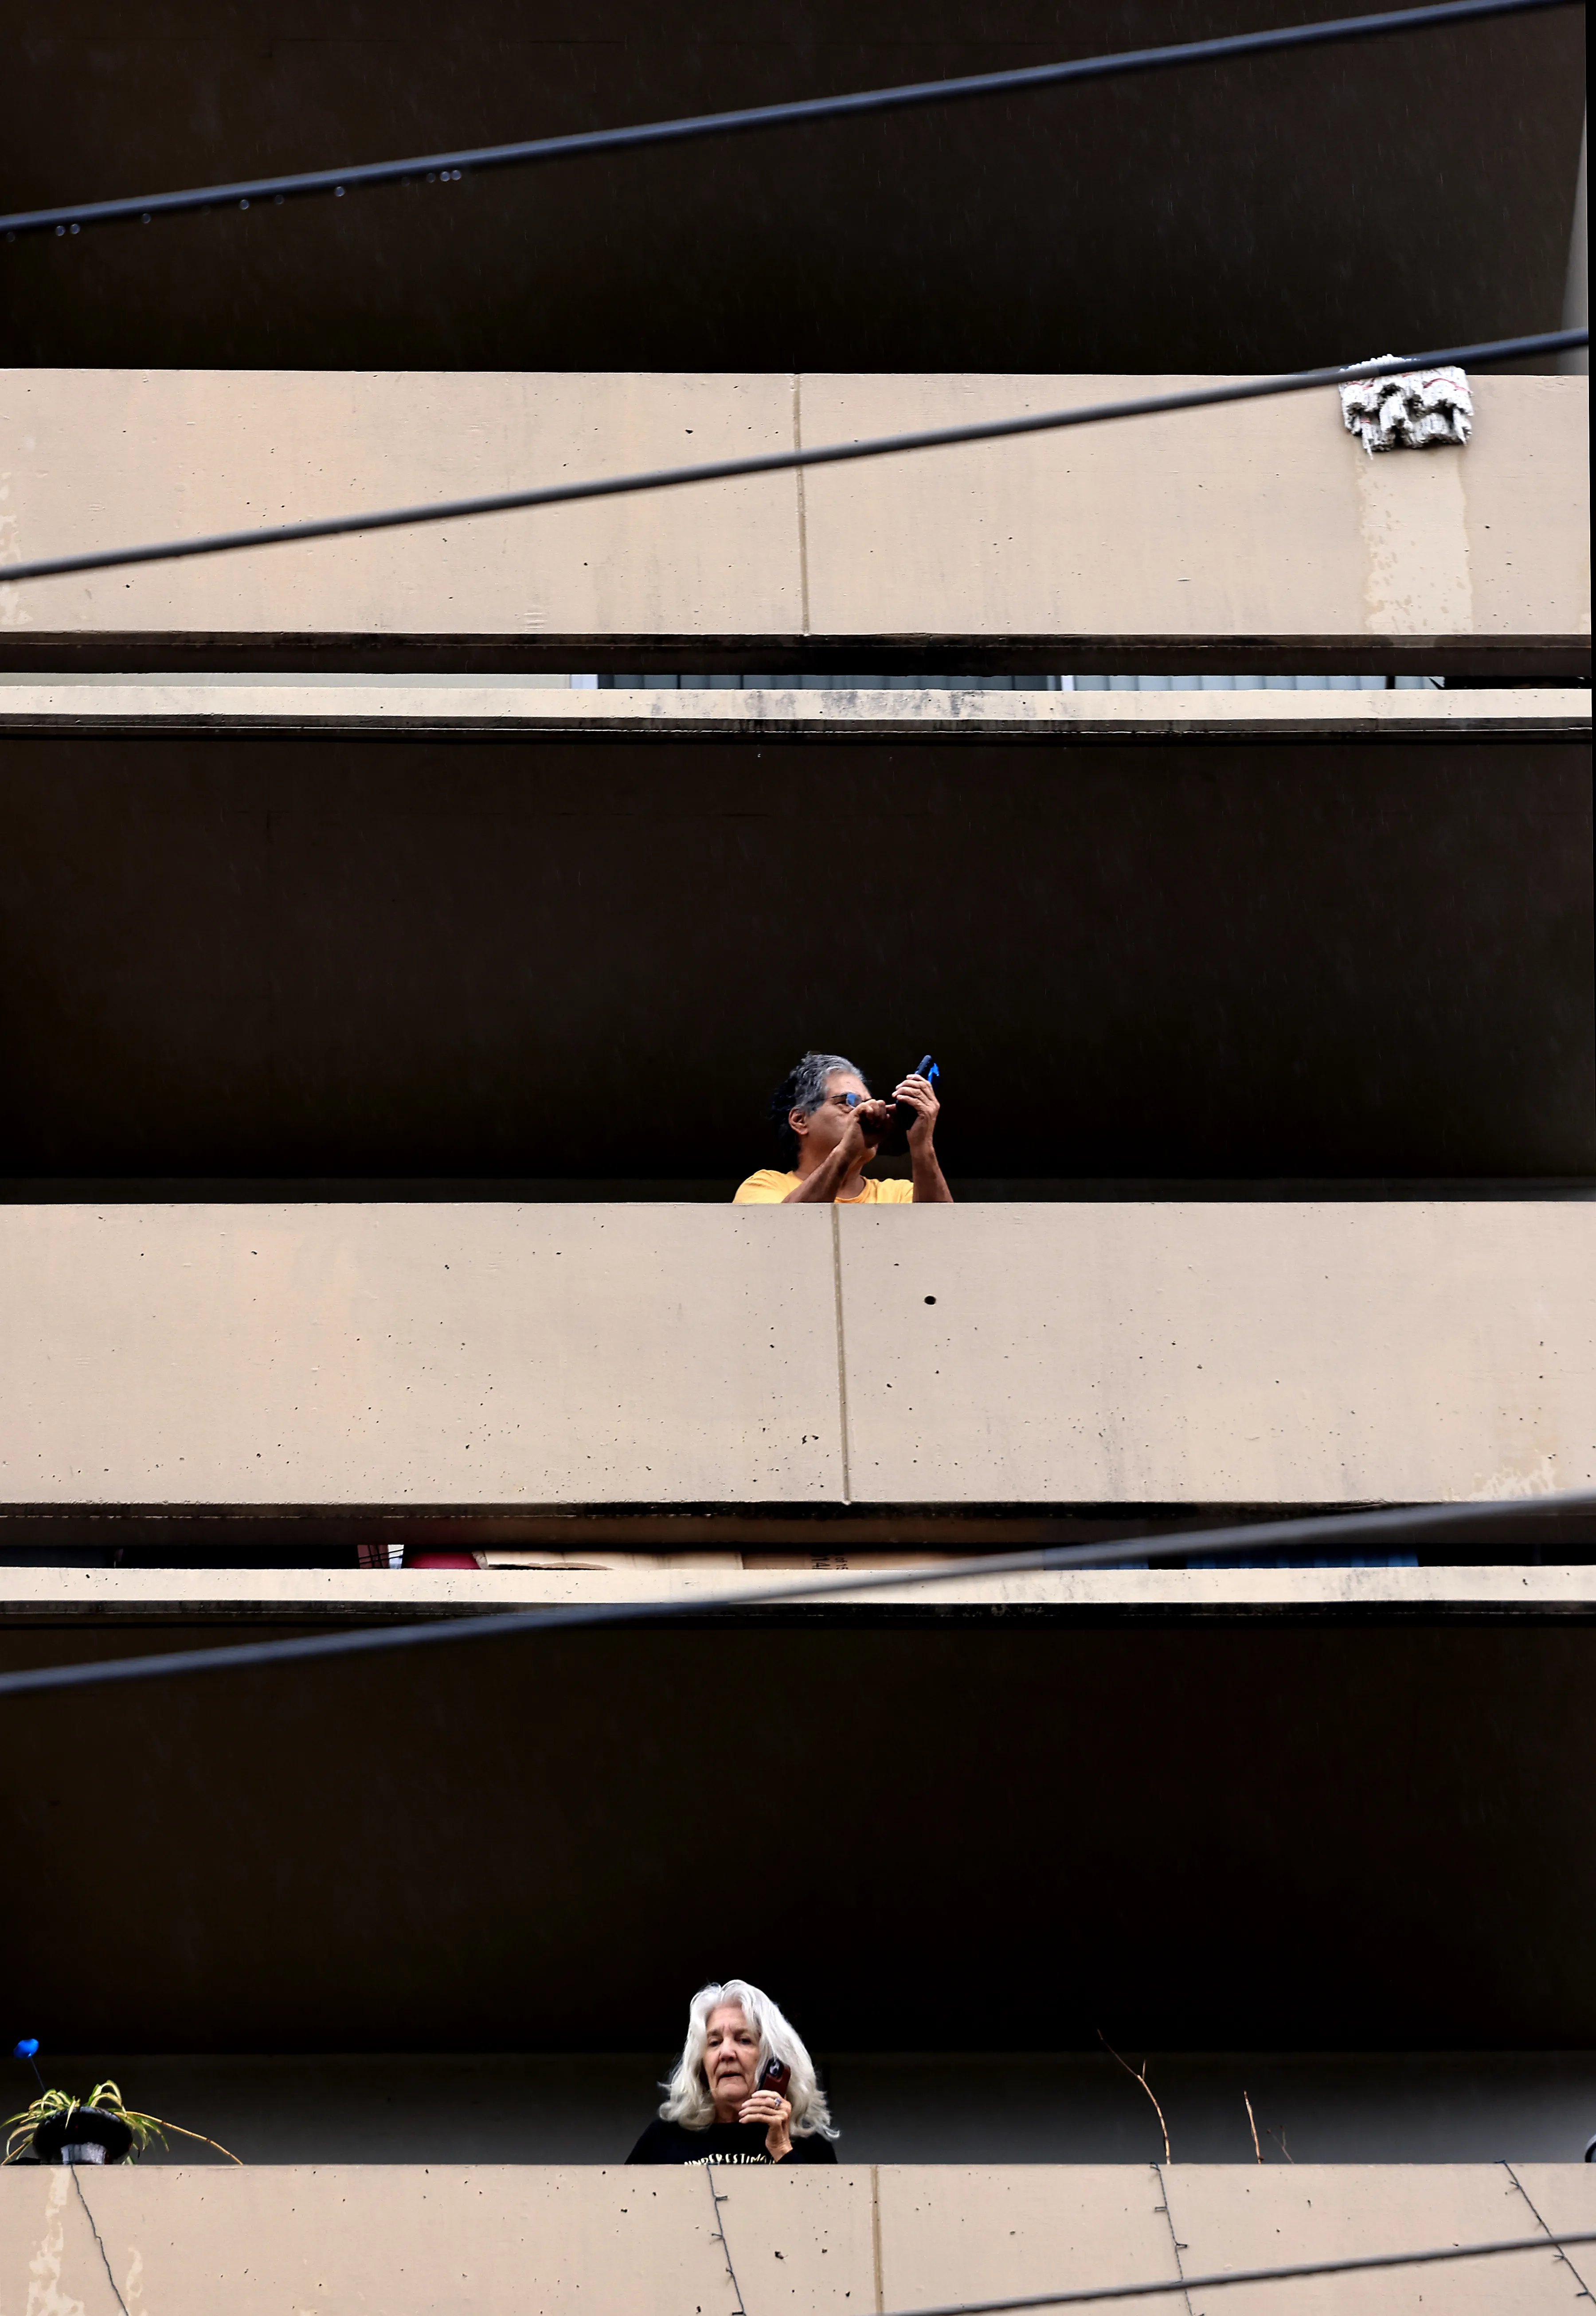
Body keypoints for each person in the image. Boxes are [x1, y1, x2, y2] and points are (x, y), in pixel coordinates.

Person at [626, 1978, 839, 2165]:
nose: (726, 2053)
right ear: (701, 2064)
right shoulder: (663, 2139)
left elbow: (826, 2209)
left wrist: (782, 2148)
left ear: (774, 2063)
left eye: (744, 2040)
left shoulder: (810, 2147)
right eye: (714, 2042)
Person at [734, 1052, 953, 1205]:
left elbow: (944, 1241)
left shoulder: (900, 1193)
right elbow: (783, 1238)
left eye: (870, 1102)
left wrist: (922, 1145)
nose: (868, 1109)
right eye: (849, 1101)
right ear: (800, 1120)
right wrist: (846, 1152)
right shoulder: (764, 1186)